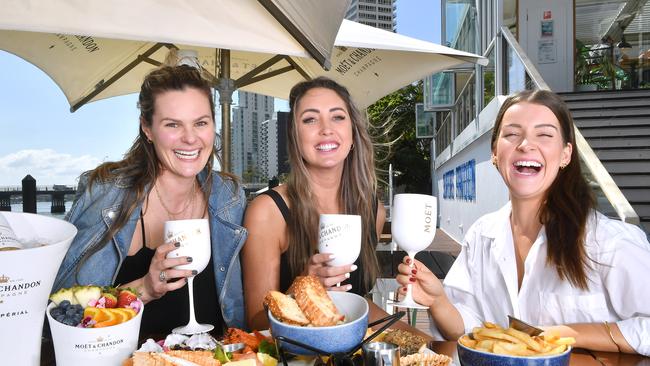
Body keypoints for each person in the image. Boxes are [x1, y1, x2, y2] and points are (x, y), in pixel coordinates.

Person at [396, 89, 650, 355]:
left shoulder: (609, 241)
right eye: (512, 134)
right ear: (495, 153)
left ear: (565, 154)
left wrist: (565, 334)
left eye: (544, 134)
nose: (526, 144)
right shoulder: (482, 234)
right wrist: (437, 300)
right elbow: (468, 332)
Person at [53, 63, 248, 335]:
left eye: (200, 123)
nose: (190, 138)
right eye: (172, 124)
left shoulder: (230, 197)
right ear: (147, 128)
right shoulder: (106, 193)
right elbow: (61, 313)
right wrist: (145, 287)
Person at [242, 77, 426, 336]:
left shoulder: (372, 209)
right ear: (295, 137)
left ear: (353, 133)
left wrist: (419, 340)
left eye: (337, 117)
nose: (326, 129)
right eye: (310, 119)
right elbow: (256, 322)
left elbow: (356, 305)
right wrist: (302, 291)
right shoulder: (267, 212)